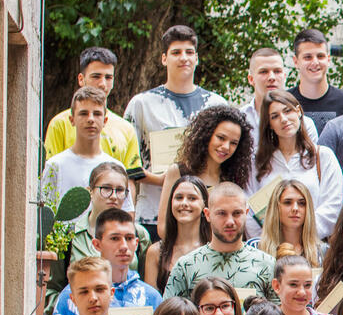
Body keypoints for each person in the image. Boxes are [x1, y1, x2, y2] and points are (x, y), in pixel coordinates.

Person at [123, 25, 229, 240]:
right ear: (164, 58)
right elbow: (128, 164)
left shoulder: (217, 104)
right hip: (152, 214)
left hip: (203, 215)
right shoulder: (142, 103)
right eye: (176, 52)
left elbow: (226, 159)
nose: (184, 58)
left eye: (189, 52)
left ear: (197, 58)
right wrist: (164, 180)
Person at [50, 208, 162, 315]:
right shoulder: (75, 294)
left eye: (129, 238)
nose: (124, 246)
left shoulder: (151, 298)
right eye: (115, 238)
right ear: (97, 244)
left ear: (136, 244)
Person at [250, 90, 343, 239]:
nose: (283, 119)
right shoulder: (257, 161)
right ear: (269, 124)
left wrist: (300, 239)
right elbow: (249, 209)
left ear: (299, 111)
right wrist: (269, 242)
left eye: (288, 111)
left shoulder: (323, 156)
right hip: (269, 246)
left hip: (313, 245)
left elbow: (332, 207)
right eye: (275, 116)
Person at [164, 183, 275, 300]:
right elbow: (169, 310)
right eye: (222, 213)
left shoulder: (267, 265)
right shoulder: (186, 266)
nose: (230, 221)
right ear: (208, 215)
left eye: (237, 213)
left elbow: (280, 310)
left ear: (246, 214)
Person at [45, 47, 142, 174]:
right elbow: (52, 173)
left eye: (108, 77)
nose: (102, 84)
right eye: (96, 76)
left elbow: (130, 179)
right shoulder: (59, 124)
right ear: (81, 79)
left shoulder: (126, 129)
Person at [156, 104, 254, 227]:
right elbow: (163, 227)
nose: (226, 147)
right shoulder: (178, 172)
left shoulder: (233, 178)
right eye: (221, 138)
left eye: (233, 143)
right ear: (207, 135)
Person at [40, 87, 129, 217]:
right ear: (72, 120)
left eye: (97, 114)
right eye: (83, 113)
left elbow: (126, 213)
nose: (90, 119)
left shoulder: (117, 167)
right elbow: (44, 214)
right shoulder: (55, 165)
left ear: (105, 121)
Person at [286, 28, 343, 135]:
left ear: (328, 60)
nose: (315, 62)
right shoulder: (284, 103)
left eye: (320, 56)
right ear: (296, 62)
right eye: (308, 57)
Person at [241, 48, 319, 144]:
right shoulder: (240, 121)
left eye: (277, 71)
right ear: (251, 79)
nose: (272, 77)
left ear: (284, 77)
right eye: (264, 72)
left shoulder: (304, 125)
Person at [146, 176, 209, 293]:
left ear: (204, 205)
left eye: (192, 198)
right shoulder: (155, 252)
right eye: (179, 198)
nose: (184, 203)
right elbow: (152, 300)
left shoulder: (213, 250)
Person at [249, 179, 323, 267]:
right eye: (288, 202)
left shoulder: (322, 252)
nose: (295, 208)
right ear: (276, 208)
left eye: (302, 203)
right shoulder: (254, 248)